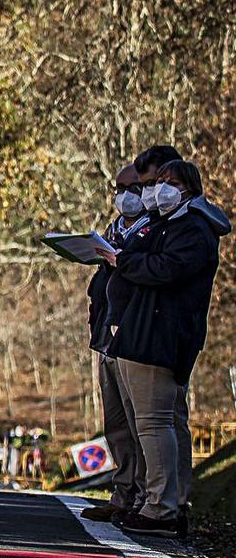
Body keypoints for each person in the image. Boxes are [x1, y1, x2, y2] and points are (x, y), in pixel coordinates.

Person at [98, 160, 229, 538]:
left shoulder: (193, 230)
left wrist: (124, 260)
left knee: (156, 424)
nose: (159, 190)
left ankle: (162, 508)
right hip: (140, 335)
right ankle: (152, 501)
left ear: (188, 188)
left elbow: (162, 269)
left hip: (161, 337)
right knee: (145, 424)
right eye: (157, 183)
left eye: (167, 183)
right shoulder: (168, 226)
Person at [80, 163, 151, 524]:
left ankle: (144, 496)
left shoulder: (151, 230)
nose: (124, 195)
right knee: (117, 424)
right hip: (105, 333)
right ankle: (122, 494)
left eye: (133, 187)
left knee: (142, 423)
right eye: (118, 188)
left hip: (132, 337)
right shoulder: (114, 229)